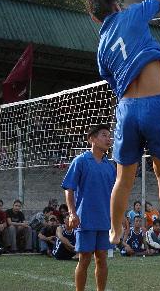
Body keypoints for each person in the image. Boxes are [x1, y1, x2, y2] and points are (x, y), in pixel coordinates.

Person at [86, 0, 160, 245]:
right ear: (116, 6)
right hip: (154, 103)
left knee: (123, 177)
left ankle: (114, 230)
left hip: (126, 110)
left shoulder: (100, 50)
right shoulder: (132, 14)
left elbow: (114, 83)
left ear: (97, 19)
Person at [61, 124, 116, 291]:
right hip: (85, 219)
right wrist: (72, 213)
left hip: (105, 219)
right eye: (104, 135)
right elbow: (69, 189)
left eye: (109, 135)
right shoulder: (80, 161)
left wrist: (119, 217)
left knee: (102, 258)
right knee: (84, 259)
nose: (108, 138)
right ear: (92, 139)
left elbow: (115, 194)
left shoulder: (110, 166)